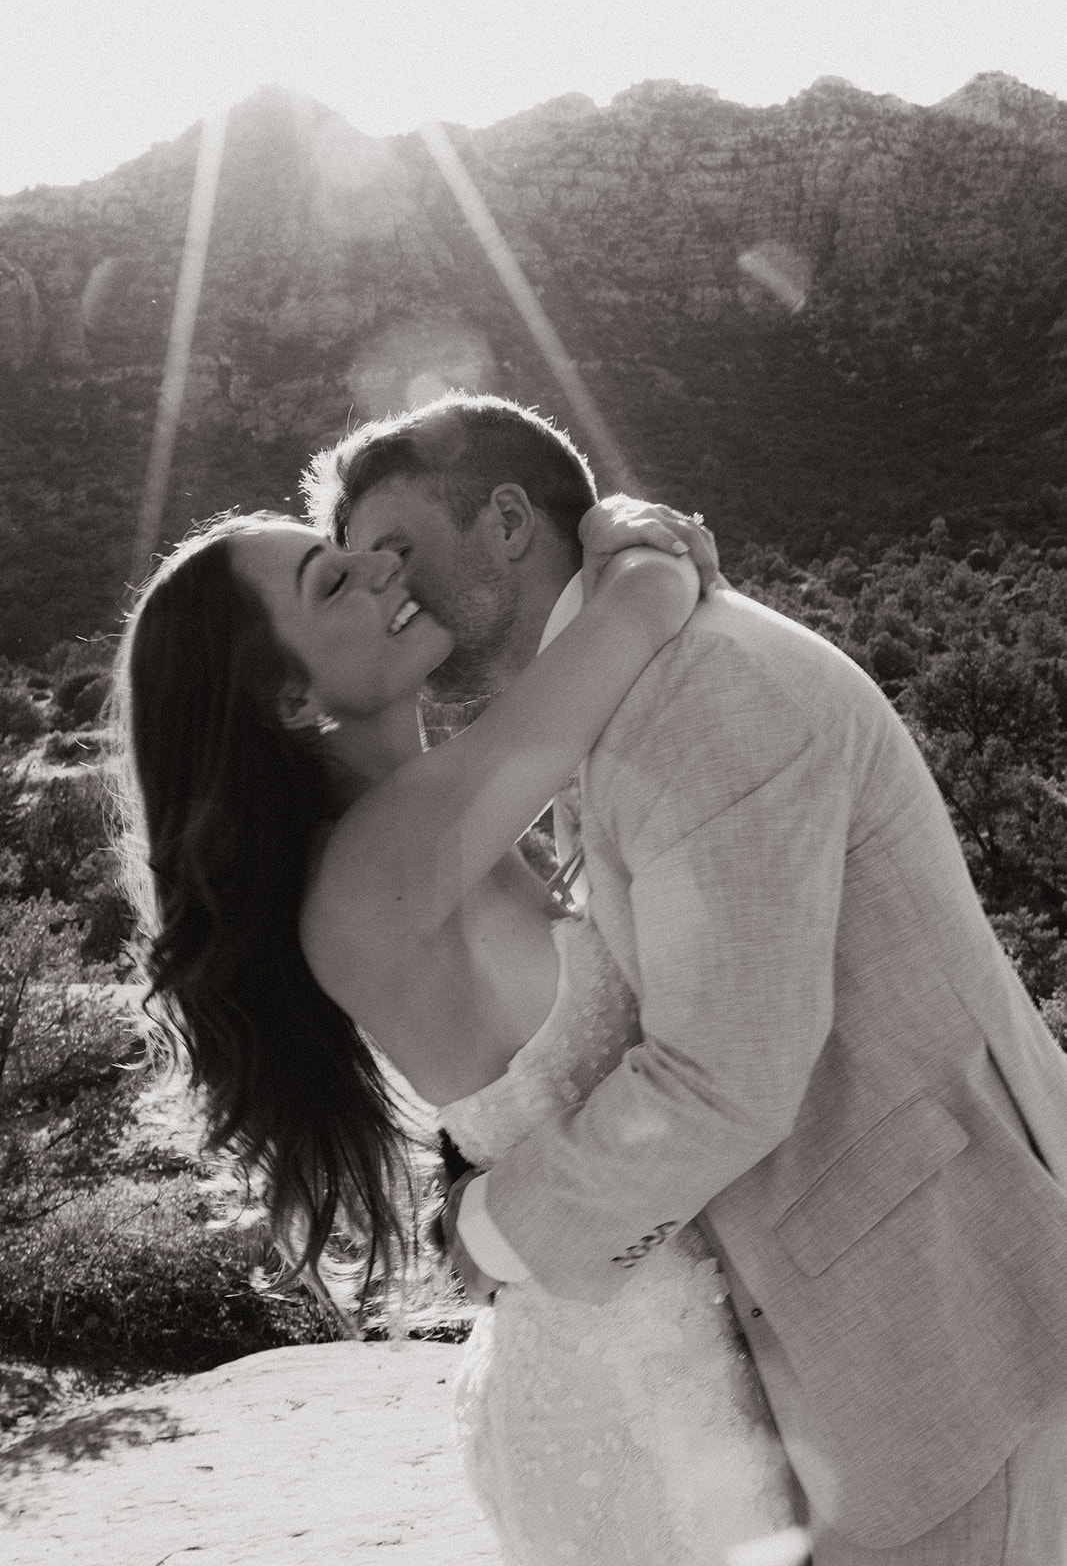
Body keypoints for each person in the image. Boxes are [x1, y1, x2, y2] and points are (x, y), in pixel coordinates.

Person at [305, 390, 1067, 1566]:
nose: (387, 587)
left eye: (396, 550)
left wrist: (497, 1230)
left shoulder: (700, 691)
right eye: (353, 574)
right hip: (851, 1340)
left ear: (508, 520)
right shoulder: (618, 686)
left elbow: (729, 1070)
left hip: (943, 1330)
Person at [111, 495, 802, 1566]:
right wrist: (632, 529)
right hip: (632, 1406)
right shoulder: (374, 864)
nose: (381, 567)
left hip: (649, 1345)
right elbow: (637, 614)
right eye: (333, 582)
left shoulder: (437, 820)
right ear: (289, 697)